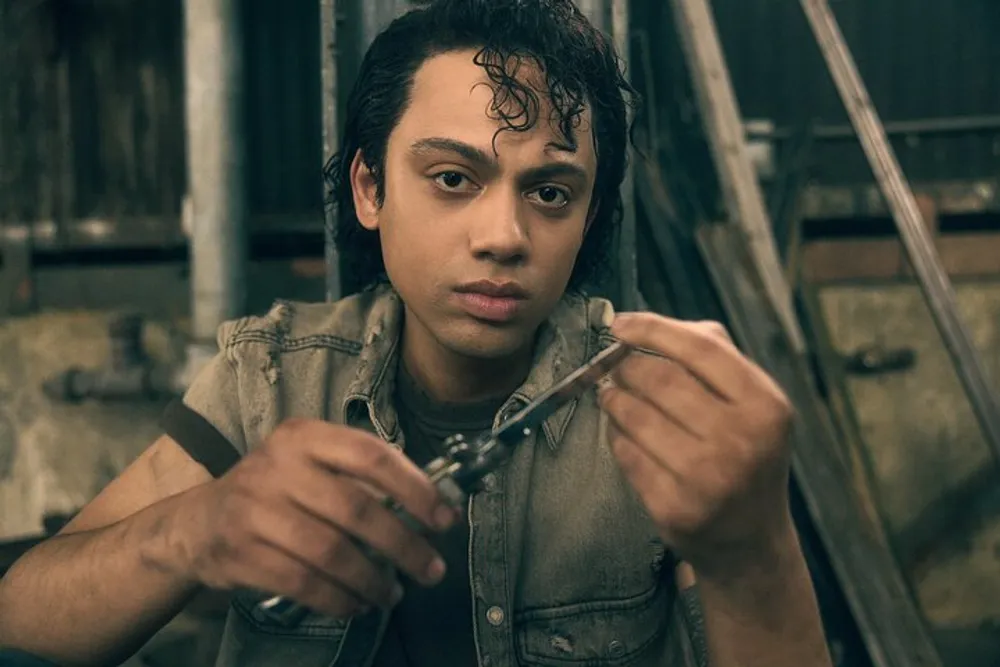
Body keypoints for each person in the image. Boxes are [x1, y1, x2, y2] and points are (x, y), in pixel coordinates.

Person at [0, 1, 834, 665]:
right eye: (451, 177)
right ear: (371, 188)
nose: (502, 235)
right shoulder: (272, 380)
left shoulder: (655, 409)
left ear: (587, 218)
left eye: (550, 191)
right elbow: (23, 619)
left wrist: (755, 550)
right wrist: (193, 528)